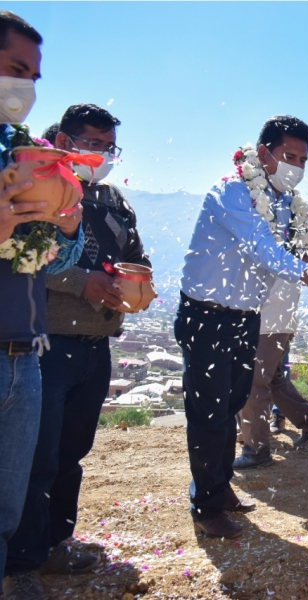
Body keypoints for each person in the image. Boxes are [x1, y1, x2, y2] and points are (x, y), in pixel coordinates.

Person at [5, 104, 147, 592]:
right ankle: (22, 559)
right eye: (92, 144)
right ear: (64, 142)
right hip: (47, 341)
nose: (102, 155)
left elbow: (135, 254)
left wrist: (137, 283)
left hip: (96, 343)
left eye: (108, 147)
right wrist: (81, 281)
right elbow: (29, 257)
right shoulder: (43, 187)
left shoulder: (113, 201)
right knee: (35, 455)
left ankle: (57, 542)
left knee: (72, 452)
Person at [177, 115, 308, 539]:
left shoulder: (285, 203)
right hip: (208, 315)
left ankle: (219, 485)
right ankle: (206, 506)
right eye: (289, 156)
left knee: (231, 407)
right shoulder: (232, 190)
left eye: (303, 159)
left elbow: (289, 253)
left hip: (247, 317)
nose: (296, 167)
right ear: (262, 153)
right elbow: (261, 247)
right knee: (209, 413)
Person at [0, 11, 85, 598]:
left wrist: (68, 225)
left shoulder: (28, 157)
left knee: (6, 506)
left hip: (22, 355)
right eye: (13, 70)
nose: (25, 86)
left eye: (32, 74)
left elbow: (49, 262)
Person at [233, 277, 308, 469]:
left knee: (252, 384)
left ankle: (256, 451)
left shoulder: (270, 248)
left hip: (267, 320)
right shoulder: (291, 249)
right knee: (272, 380)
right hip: (276, 318)